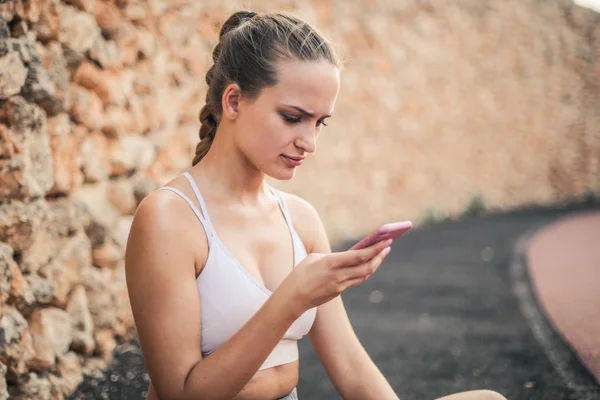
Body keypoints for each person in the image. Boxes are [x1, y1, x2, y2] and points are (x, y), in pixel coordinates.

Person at [125, 10, 508, 400]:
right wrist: (291, 299)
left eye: (320, 122)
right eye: (293, 118)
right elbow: (181, 394)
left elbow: (350, 367)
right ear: (234, 101)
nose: (309, 142)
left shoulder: (301, 220)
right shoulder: (169, 219)